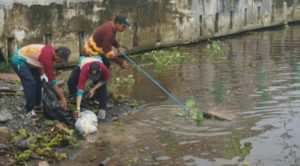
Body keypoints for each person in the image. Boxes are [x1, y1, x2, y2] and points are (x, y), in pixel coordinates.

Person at [10, 44, 71, 118]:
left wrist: (42, 75)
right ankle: (29, 110)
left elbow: (39, 60)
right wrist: (62, 98)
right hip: (18, 60)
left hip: (28, 60)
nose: (61, 62)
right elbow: (52, 82)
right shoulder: (47, 57)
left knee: (38, 82)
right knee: (31, 83)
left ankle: (37, 105)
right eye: (61, 60)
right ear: (57, 55)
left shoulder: (50, 51)